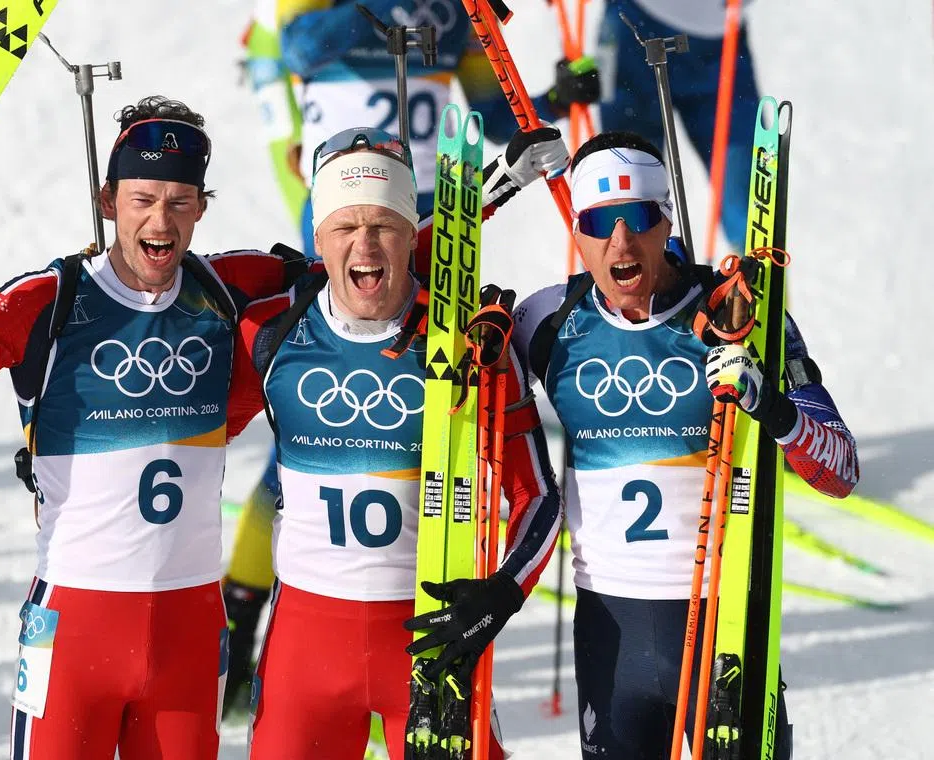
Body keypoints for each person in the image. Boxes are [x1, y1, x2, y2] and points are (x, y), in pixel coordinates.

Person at [0, 96, 313, 760]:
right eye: (143, 198)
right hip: (73, 632)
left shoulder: (229, 285)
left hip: (188, 634)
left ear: (202, 207)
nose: (161, 220)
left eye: (181, 201)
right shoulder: (46, 303)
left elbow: (367, 256)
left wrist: (493, 188)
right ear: (107, 199)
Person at [221, 0, 587, 713]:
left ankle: (406, 623)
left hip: (437, 229)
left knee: (413, 433)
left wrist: (555, 99)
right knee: (301, 443)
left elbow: (495, 109)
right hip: (342, 215)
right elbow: (296, 46)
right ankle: (240, 632)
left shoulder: (454, 13)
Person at [509, 131, 860, 760]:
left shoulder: (743, 313)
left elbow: (840, 468)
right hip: (608, 632)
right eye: (599, 222)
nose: (620, 243)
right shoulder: (546, 321)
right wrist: (497, 188)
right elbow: (397, 303)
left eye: (637, 218)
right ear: (577, 231)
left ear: (665, 219)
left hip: (724, 622)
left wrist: (771, 407)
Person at [596, 0, 761, 255]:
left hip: (719, 42)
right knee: (625, 195)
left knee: (751, 209)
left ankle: (761, 286)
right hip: (633, 30)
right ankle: (613, 290)